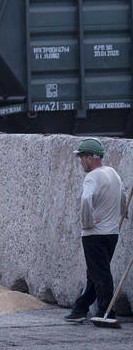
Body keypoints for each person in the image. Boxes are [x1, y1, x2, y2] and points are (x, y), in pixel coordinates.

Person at [64, 137, 124, 322]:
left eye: (81, 157)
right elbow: (122, 193)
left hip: (94, 234)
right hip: (112, 232)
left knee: (101, 274)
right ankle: (80, 309)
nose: (81, 161)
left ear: (90, 157)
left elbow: (85, 199)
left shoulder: (91, 177)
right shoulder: (112, 172)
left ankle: (106, 311)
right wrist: (123, 212)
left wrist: (87, 222)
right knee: (95, 273)